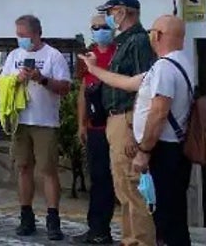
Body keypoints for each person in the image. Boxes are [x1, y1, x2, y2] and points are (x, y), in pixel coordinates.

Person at [82, 15, 195, 246]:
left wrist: (143, 150)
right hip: (173, 149)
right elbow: (127, 83)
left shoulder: (165, 67)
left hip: (164, 150)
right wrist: (94, 68)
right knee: (172, 215)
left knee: (166, 218)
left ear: (158, 35)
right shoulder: (179, 62)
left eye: (153, 31)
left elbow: (159, 112)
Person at [93, 0, 158, 246]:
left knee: (133, 187)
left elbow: (144, 88)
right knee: (123, 187)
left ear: (123, 10)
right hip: (116, 119)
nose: (109, 17)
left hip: (127, 119)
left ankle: (141, 241)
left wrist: (134, 130)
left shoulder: (139, 41)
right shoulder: (124, 42)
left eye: (111, 12)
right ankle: (129, 239)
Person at [0, 14, 71, 240]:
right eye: (18, 36)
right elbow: (2, 83)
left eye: (24, 36)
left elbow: (65, 87)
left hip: (45, 122)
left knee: (48, 170)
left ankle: (53, 219)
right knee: (23, 168)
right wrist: (15, 80)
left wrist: (42, 79)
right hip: (21, 121)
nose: (21, 40)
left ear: (37, 34)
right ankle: (26, 216)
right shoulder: (14, 56)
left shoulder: (53, 56)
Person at [72, 14, 118, 245]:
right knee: (98, 178)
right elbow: (83, 90)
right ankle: (97, 228)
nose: (100, 30)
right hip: (95, 127)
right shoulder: (88, 55)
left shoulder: (120, 53)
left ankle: (106, 229)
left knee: (114, 180)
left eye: (104, 27)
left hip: (116, 125)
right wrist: (81, 123)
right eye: (95, 27)